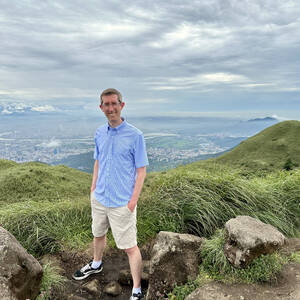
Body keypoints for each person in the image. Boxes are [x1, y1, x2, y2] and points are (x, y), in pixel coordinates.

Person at [72, 88, 148, 300]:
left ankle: (136, 289)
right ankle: (96, 264)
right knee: (98, 233)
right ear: (101, 107)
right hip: (100, 197)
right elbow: (98, 160)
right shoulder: (99, 132)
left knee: (130, 247)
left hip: (122, 202)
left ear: (122, 105)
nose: (111, 108)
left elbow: (141, 171)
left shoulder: (135, 135)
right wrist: (93, 187)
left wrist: (132, 201)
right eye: (106, 104)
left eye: (114, 103)